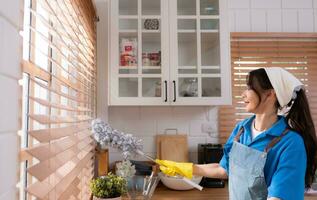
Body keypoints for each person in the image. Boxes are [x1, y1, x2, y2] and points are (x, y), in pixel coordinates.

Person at [156, 67, 317, 200]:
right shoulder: (242, 129)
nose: (243, 94)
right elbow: (224, 169)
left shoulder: (290, 143)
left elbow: (279, 196)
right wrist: (185, 168)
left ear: (270, 94)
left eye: (250, 88)